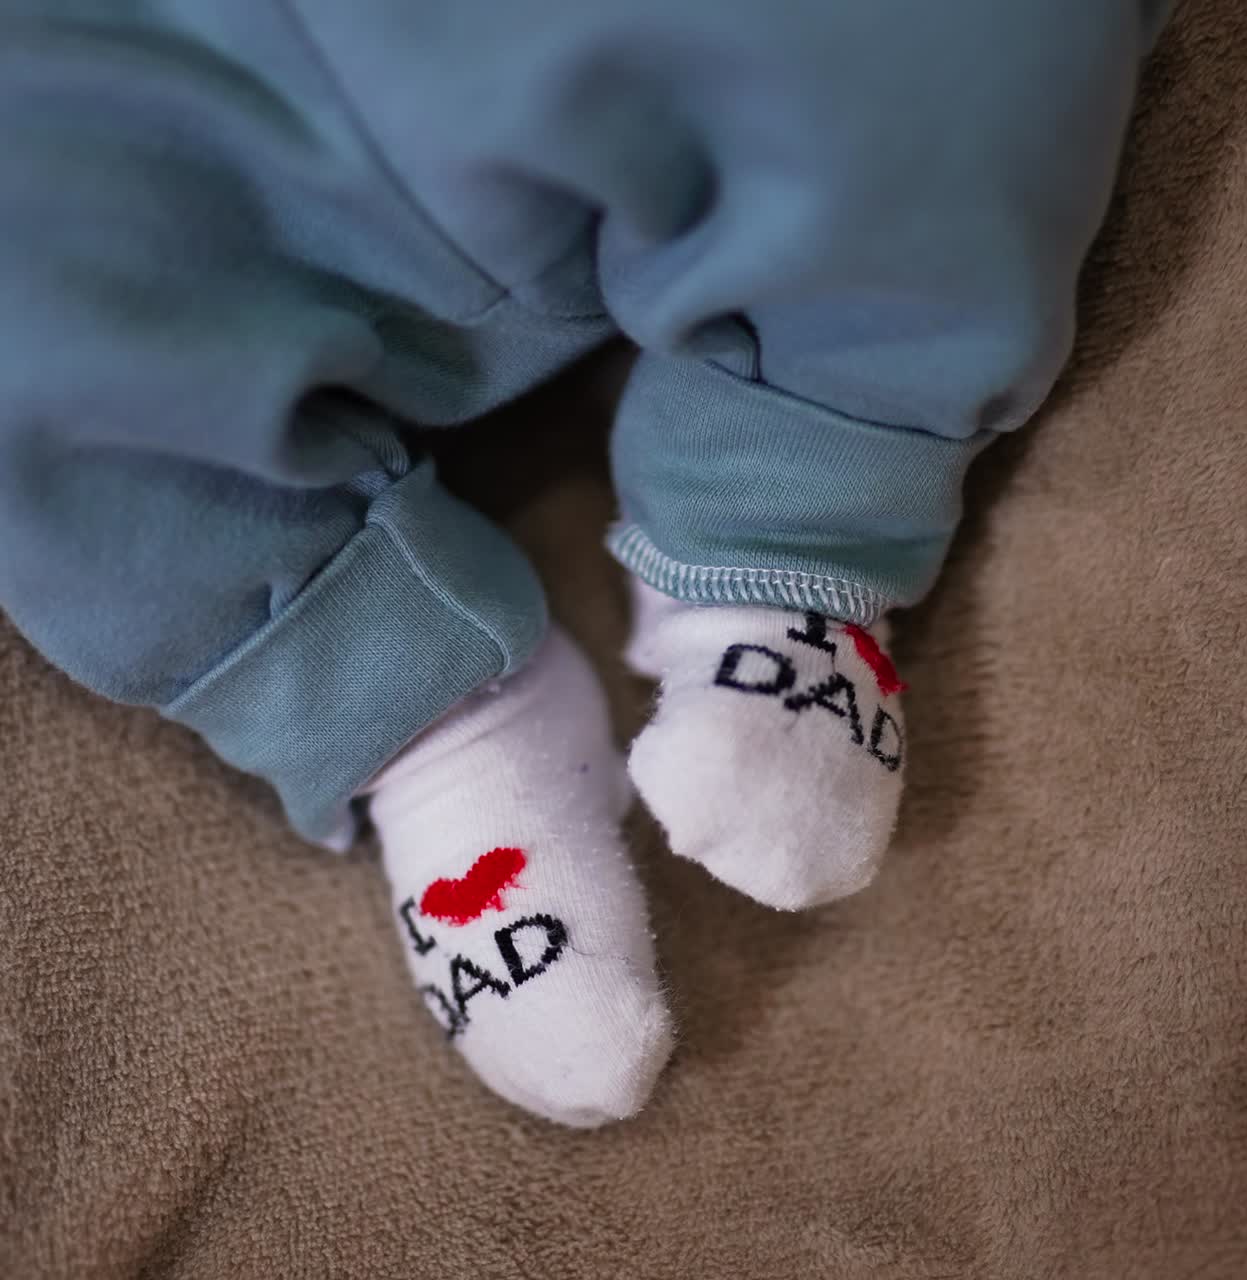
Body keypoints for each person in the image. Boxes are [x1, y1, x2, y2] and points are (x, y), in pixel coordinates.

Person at [0, 0, 1174, 1126]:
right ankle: (423, 717)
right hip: (187, 107)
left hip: (668, 48)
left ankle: (786, 536)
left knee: (956, 45)